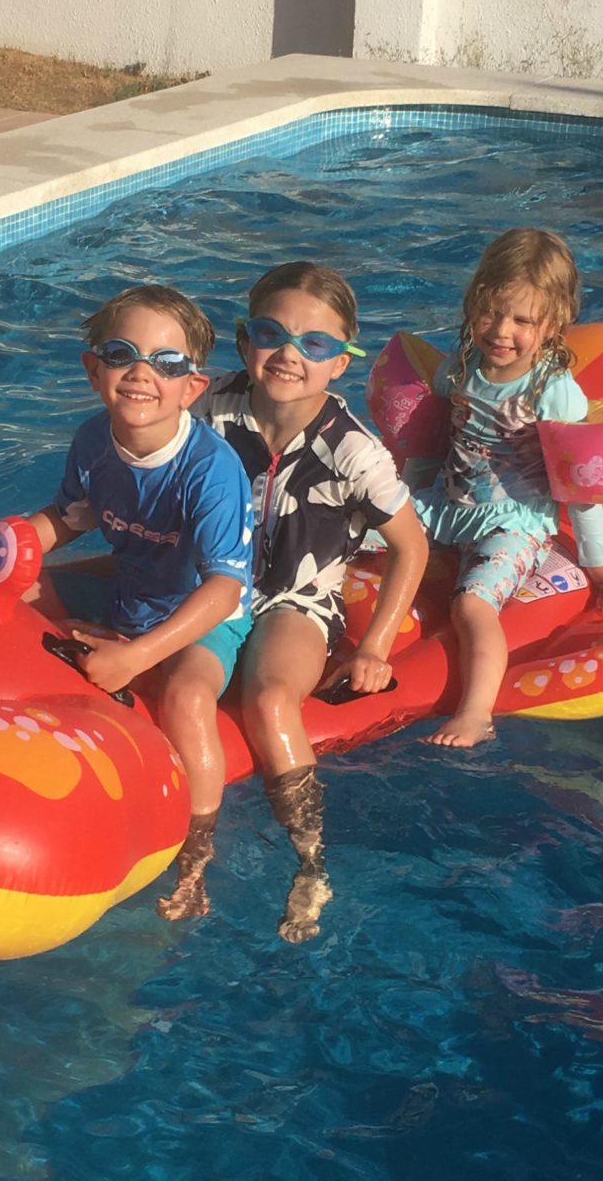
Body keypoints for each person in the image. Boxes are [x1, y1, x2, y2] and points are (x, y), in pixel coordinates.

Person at [0, 285, 256, 918]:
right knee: (17, 581)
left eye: (168, 363)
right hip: (129, 594)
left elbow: (224, 587)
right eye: (124, 354)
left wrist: (137, 657)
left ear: (191, 388)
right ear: (95, 371)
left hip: (203, 616)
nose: (144, 372)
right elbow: (67, 520)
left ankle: (198, 850)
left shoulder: (210, 469)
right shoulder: (95, 440)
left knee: (187, 695)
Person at [192, 261, 430, 943]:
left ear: (341, 363)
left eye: (316, 344)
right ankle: (198, 841)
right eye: (272, 334)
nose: (291, 354)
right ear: (244, 342)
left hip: (299, 600)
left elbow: (411, 548)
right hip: (213, 584)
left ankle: (310, 860)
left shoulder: (354, 450)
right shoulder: (212, 411)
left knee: (268, 702)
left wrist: (375, 646)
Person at [407, 228, 603, 748]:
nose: (501, 331)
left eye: (523, 320)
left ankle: (476, 714)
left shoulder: (553, 392)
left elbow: (580, 486)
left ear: (554, 325)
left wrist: (600, 562)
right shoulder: (458, 366)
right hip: (447, 506)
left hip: (514, 519)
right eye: (491, 312)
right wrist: (399, 502)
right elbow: (429, 444)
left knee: (471, 607)